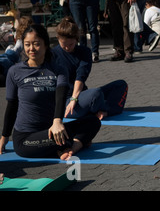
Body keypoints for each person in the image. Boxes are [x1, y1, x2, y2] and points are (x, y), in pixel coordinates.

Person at [0, 24, 101, 160]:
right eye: (27, 44)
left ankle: (72, 147)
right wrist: (5, 137)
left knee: (93, 122)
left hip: (53, 129)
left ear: (46, 45)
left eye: (36, 44)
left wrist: (57, 121)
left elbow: (60, 95)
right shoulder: (15, 71)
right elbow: (12, 105)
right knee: (63, 137)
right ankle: (70, 145)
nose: (31, 49)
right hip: (26, 138)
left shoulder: (58, 69)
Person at [52, 17, 128, 120]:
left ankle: (103, 110)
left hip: (79, 96)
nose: (67, 48)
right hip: (64, 101)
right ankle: (97, 108)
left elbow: (81, 76)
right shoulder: (52, 54)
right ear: (58, 39)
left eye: (71, 44)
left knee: (121, 85)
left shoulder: (84, 52)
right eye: (64, 44)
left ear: (76, 39)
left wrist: (74, 98)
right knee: (96, 94)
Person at [0, 16, 33, 87]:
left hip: (17, 62)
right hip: (16, 62)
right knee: (9, 56)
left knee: (9, 55)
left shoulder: (21, 40)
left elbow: (17, 50)